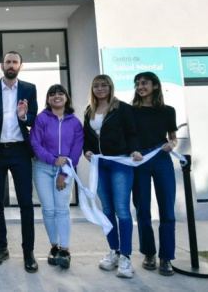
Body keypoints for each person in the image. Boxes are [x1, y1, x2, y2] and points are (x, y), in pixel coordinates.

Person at [0, 51, 39, 273]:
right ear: (1, 66)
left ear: (20, 66)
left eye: (15, 62)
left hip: (20, 152)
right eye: (8, 62)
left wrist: (24, 116)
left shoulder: (29, 89)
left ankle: (28, 252)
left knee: (25, 204)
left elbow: (34, 117)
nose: (11, 65)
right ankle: (1, 247)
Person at [83, 74, 142, 278]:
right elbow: (87, 138)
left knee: (122, 211)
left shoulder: (122, 108)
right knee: (107, 209)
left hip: (120, 162)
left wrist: (134, 150)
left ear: (110, 87)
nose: (99, 89)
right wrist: (87, 151)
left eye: (103, 85)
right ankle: (114, 252)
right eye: (96, 85)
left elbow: (132, 133)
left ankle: (126, 257)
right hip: (100, 164)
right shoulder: (89, 111)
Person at [30, 84, 84, 269]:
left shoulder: (75, 122)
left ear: (66, 97)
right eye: (52, 94)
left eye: (60, 93)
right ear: (48, 99)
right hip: (42, 168)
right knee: (48, 210)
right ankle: (54, 246)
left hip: (65, 170)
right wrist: (53, 160)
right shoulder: (41, 119)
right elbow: (35, 143)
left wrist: (63, 171)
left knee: (62, 209)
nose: (56, 96)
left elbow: (76, 150)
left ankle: (65, 250)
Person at [131, 72, 178, 276]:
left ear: (155, 86)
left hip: (161, 159)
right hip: (139, 160)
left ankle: (166, 257)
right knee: (142, 210)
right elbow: (127, 135)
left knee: (167, 209)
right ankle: (149, 253)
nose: (140, 87)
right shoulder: (130, 111)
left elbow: (173, 137)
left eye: (144, 83)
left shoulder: (168, 111)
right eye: (137, 84)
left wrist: (172, 144)